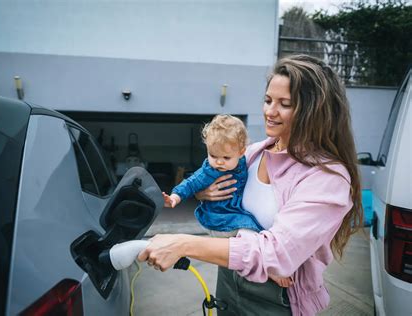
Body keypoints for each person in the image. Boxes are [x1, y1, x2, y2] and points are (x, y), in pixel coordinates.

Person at [138, 54, 363, 315]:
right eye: (268, 100)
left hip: (276, 297)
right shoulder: (254, 153)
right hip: (229, 277)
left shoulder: (327, 177)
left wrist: (183, 244)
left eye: (285, 104)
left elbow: (277, 254)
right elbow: (211, 174)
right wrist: (203, 193)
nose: (270, 111)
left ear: (313, 112)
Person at [163, 114, 293, 287]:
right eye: (213, 155)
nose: (218, 162)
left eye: (225, 158)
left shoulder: (248, 157)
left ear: (241, 152)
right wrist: (174, 197)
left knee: (253, 233)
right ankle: (270, 269)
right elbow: (191, 183)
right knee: (251, 231)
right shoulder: (210, 170)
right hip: (220, 218)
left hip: (231, 214)